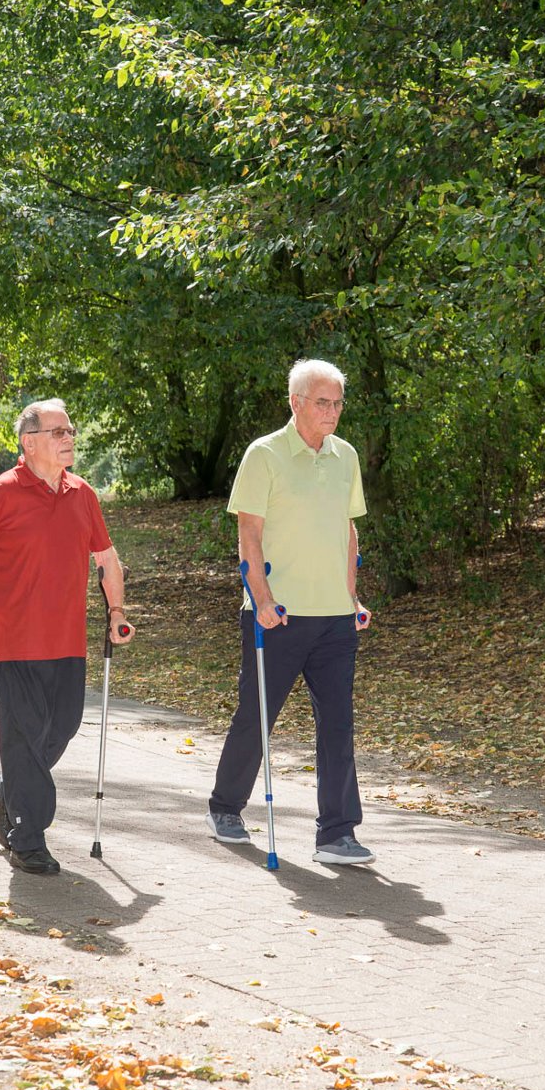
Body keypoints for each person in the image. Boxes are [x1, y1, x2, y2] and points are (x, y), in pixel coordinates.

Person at [0, 398, 133, 876]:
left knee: (63, 726)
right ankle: (27, 838)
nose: (69, 439)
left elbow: (107, 558)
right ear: (29, 443)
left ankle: (8, 788)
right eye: (58, 432)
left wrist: (116, 612)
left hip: (68, 640)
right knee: (25, 735)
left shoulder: (82, 493)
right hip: (18, 641)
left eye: (70, 431)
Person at [206, 358, 374, 865]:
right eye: (322, 402)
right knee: (256, 717)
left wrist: (352, 597)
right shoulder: (265, 454)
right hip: (276, 615)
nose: (332, 412)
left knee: (338, 726)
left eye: (338, 403)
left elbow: (348, 531)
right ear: (295, 402)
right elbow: (249, 534)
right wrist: (261, 599)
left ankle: (337, 833)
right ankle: (225, 807)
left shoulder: (345, 456)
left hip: (334, 618)